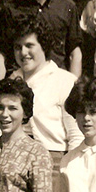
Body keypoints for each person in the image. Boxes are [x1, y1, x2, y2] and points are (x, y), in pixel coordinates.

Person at [12, 22, 82, 157]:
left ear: (43, 46)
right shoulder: (11, 82)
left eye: (29, 46)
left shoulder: (65, 81)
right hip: (16, 160)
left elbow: (76, 135)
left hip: (55, 160)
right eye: (18, 47)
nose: (23, 53)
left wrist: (70, 169)